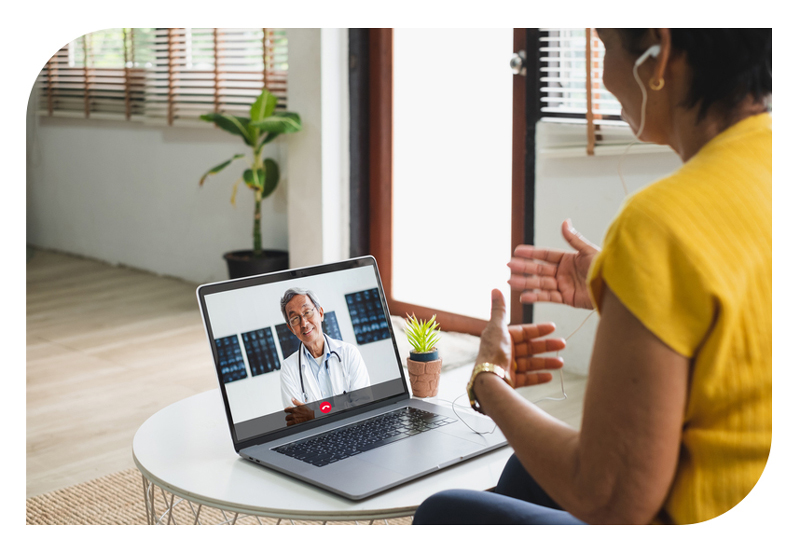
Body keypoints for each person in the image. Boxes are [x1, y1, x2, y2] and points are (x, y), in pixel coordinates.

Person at [414, 28, 771, 525]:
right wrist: (629, 285)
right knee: (522, 473)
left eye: (605, 47)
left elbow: (608, 496)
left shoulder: (662, 221)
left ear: (659, 52)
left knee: (443, 512)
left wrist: (488, 381)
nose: (602, 75)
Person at [279, 287, 371, 422]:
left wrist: (314, 415)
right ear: (291, 328)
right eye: (295, 319)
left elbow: (363, 406)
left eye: (307, 312)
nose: (304, 323)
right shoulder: (288, 368)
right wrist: (343, 409)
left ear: (320, 313)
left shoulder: (349, 353)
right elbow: (297, 422)